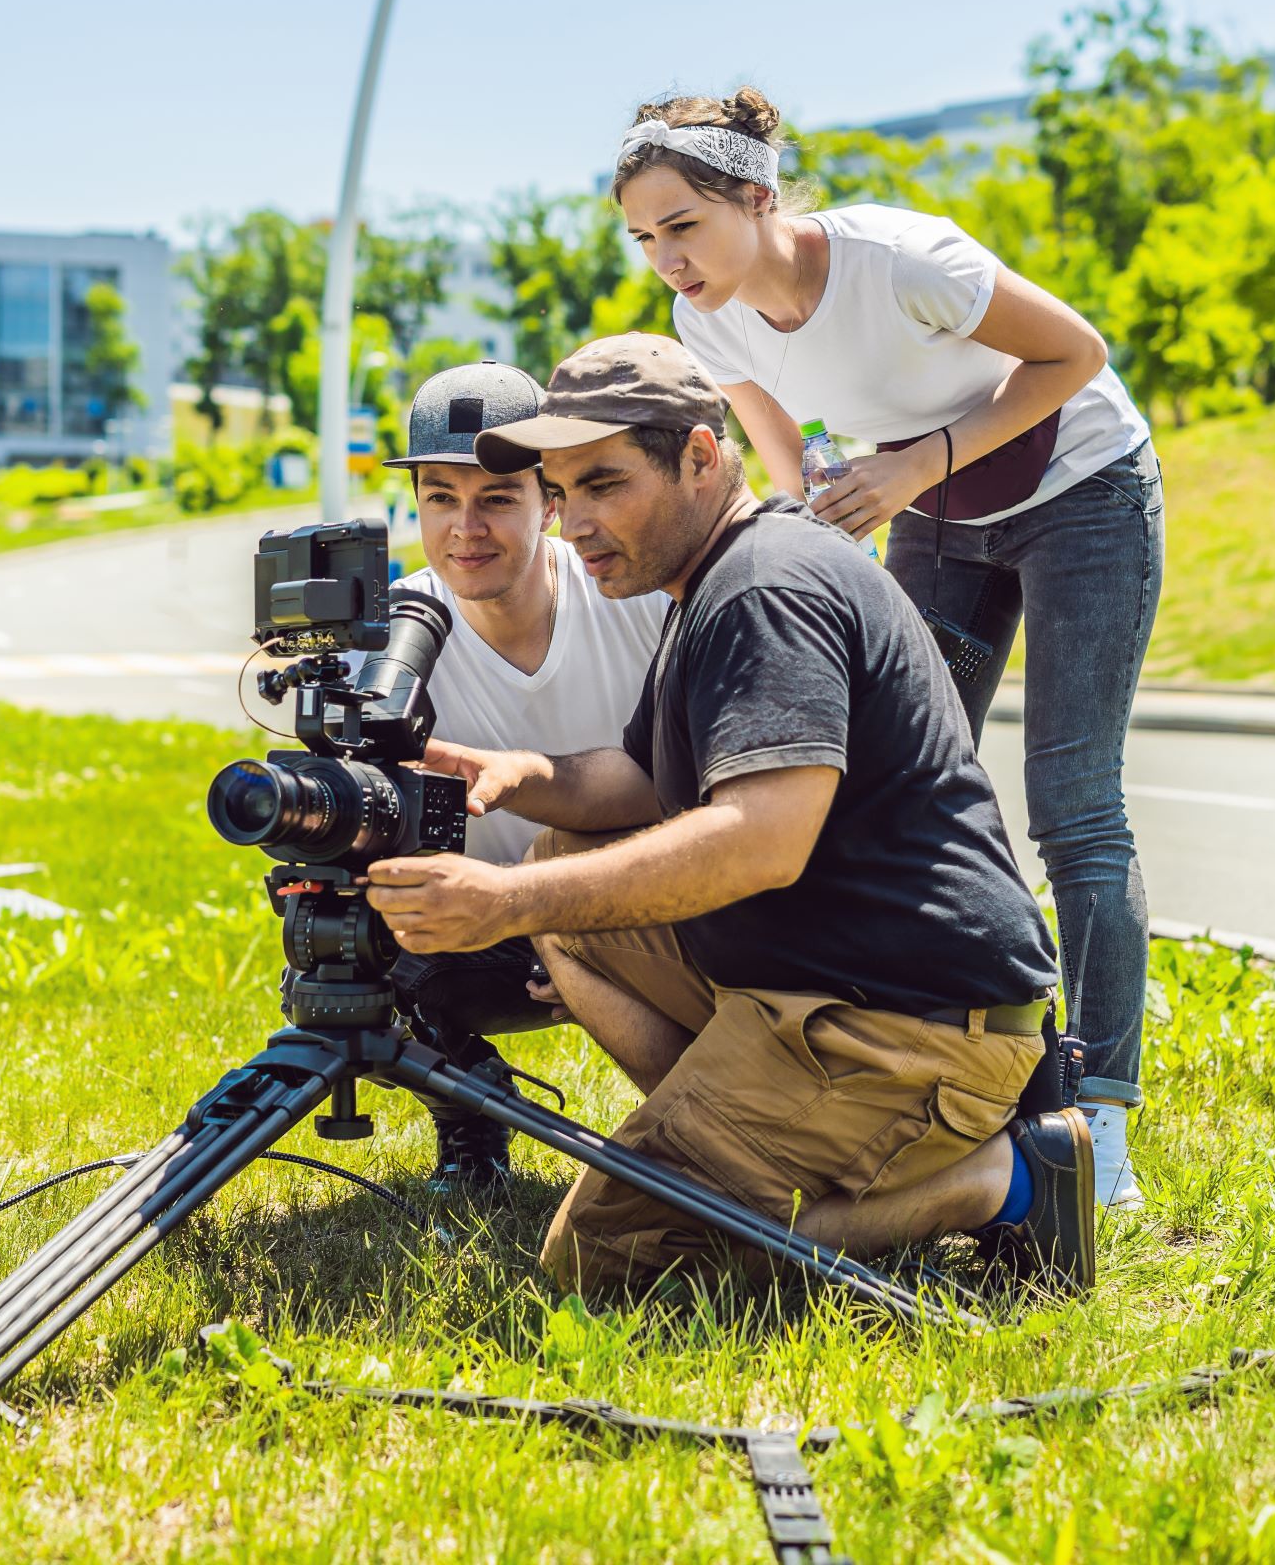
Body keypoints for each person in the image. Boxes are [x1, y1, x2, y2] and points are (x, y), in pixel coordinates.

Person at [361, 332, 1094, 1292]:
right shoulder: (711, 579)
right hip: (820, 978)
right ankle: (739, 1143)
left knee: (610, 1261)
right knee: (561, 857)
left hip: (905, 1030)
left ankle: (1001, 1181)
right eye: (563, 490)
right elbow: (639, 778)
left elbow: (761, 840)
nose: (574, 522)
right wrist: (513, 770)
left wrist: (507, 903)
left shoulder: (764, 589)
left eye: (605, 485)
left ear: (702, 457)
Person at [615, 87, 1162, 1210]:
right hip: (936, 513)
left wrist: (914, 467)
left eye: (683, 226)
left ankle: (1095, 1114)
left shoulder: (904, 261)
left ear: (757, 198)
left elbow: (1074, 355)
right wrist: (812, 543)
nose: (667, 258)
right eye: (642, 237)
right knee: (897, 790)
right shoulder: (707, 321)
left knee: (1074, 804)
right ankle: (963, 1061)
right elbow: (786, 453)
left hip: (1084, 489)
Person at [377, 361, 667, 1192]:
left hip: (657, 911)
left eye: (497, 499)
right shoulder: (395, 636)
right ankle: (471, 1112)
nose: (465, 528)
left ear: (552, 500)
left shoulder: (635, 596)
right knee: (336, 962)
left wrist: (585, 922)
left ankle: (714, 1130)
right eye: (440, 498)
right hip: (485, 932)